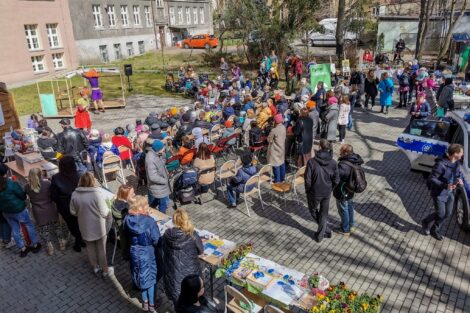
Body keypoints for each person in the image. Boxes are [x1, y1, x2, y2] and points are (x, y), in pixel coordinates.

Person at [70, 172, 113, 278]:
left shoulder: (75, 194)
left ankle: (95, 267)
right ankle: (105, 269)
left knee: (90, 248)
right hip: (99, 228)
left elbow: (73, 212)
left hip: (85, 227)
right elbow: (104, 212)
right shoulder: (97, 194)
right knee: (101, 249)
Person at [122, 196, 161, 313]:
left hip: (134, 251)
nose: (148, 207)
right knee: (150, 279)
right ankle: (152, 306)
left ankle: (144, 303)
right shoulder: (149, 221)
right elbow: (156, 240)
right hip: (147, 253)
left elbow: (125, 234)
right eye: (146, 205)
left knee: (141, 277)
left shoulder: (127, 219)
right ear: (140, 208)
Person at [161, 209, 204, 304]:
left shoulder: (166, 235)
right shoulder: (192, 235)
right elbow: (201, 251)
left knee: (178, 299)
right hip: (190, 273)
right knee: (192, 299)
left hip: (173, 273)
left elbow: (163, 250)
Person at [422, 144, 463, 240]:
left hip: (450, 193)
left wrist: (458, 179)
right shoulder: (441, 164)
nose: (462, 155)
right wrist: (445, 185)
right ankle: (428, 224)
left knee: (447, 214)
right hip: (439, 193)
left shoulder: (456, 163)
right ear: (455, 153)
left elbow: (457, 174)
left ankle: (434, 228)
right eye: (461, 153)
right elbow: (432, 178)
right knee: (440, 214)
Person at [0, 165, 41, 257]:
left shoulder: (8, 183)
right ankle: (35, 244)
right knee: (28, 225)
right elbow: (22, 195)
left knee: (15, 229)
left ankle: (22, 248)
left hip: (6, 212)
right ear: (5, 173)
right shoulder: (11, 183)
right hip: (19, 210)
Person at [26, 168, 67, 256]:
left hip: (38, 211)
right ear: (40, 174)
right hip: (51, 208)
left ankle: (50, 247)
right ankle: (62, 243)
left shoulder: (27, 187)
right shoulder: (47, 183)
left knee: (44, 230)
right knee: (57, 226)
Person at [305, 139, 339, 242]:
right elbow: (336, 180)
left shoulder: (311, 162)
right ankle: (326, 230)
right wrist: (330, 188)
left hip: (314, 192)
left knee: (313, 210)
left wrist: (308, 191)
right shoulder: (333, 162)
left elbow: (307, 180)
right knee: (324, 214)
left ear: (319, 147)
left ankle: (320, 235)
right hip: (326, 192)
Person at [50, 155, 84, 252]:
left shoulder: (56, 178)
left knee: (71, 224)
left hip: (65, 206)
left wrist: (59, 202)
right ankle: (80, 240)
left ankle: (78, 240)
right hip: (78, 204)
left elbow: (53, 195)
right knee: (78, 223)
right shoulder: (79, 175)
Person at [333, 144, 364, 235]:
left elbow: (337, 178)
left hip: (343, 191)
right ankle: (351, 224)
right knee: (350, 206)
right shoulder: (356, 160)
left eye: (341, 152)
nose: (340, 153)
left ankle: (345, 228)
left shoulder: (343, 165)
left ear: (345, 153)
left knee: (343, 209)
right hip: (351, 189)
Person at [146, 140, 171, 213]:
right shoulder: (150, 159)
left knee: (156, 201)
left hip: (160, 187)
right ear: (158, 149)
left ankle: (151, 212)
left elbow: (161, 165)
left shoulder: (156, 154)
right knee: (163, 204)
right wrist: (164, 181)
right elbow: (153, 176)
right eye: (163, 148)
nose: (164, 150)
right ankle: (163, 218)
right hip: (158, 186)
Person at [267, 114, 286, 183]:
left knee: (276, 165)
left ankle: (277, 180)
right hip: (282, 148)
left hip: (275, 149)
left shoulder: (274, 130)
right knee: (282, 163)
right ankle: (282, 178)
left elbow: (269, 140)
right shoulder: (283, 127)